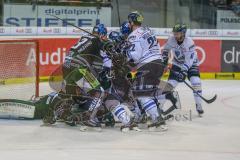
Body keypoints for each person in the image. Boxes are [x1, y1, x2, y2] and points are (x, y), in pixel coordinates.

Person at [125, 11, 168, 130]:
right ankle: (157, 116)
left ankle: (157, 120)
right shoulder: (148, 30)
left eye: (129, 22)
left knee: (141, 94)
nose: (129, 24)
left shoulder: (133, 35)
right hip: (158, 63)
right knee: (149, 93)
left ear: (132, 22)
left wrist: (126, 54)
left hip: (147, 64)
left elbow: (135, 56)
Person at [162, 23, 204, 116]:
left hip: (191, 64)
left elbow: (189, 60)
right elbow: (165, 50)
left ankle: (199, 104)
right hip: (177, 64)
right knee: (169, 86)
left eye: (177, 33)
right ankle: (159, 107)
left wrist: (184, 71)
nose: (175, 35)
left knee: (196, 82)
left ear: (183, 33)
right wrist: (164, 62)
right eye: (174, 33)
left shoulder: (189, 42)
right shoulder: (171, 39)